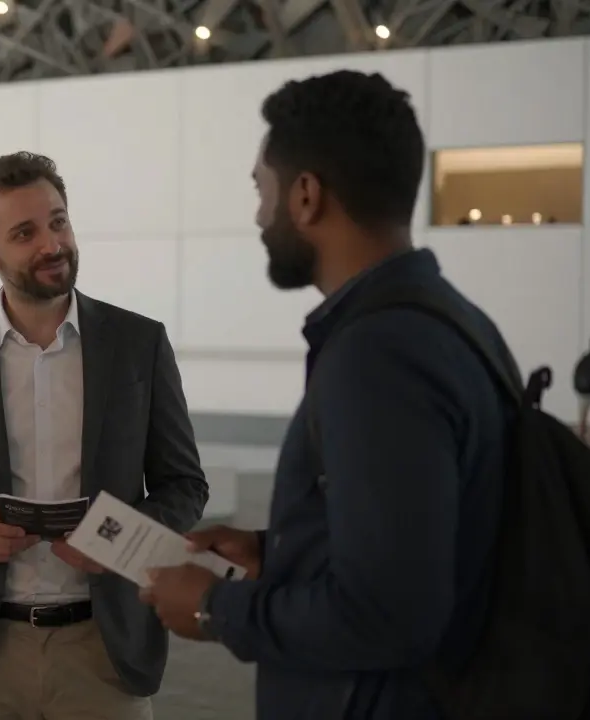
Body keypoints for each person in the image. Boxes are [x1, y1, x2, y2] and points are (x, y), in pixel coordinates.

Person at [142, 71, 513, 720]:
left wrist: (213, 607)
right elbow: (429, 541)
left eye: (263, 189)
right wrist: (284, 551)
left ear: (306, 195)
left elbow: (389, 614)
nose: (260, 215)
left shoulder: (379, 355)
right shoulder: (456, 325)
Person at [0, 151, 208, 719]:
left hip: (104, 651)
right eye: (25, 233)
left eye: (59, 221)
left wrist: (119, 537)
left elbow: (184, 486)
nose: (52, 244)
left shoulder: (137, 344)